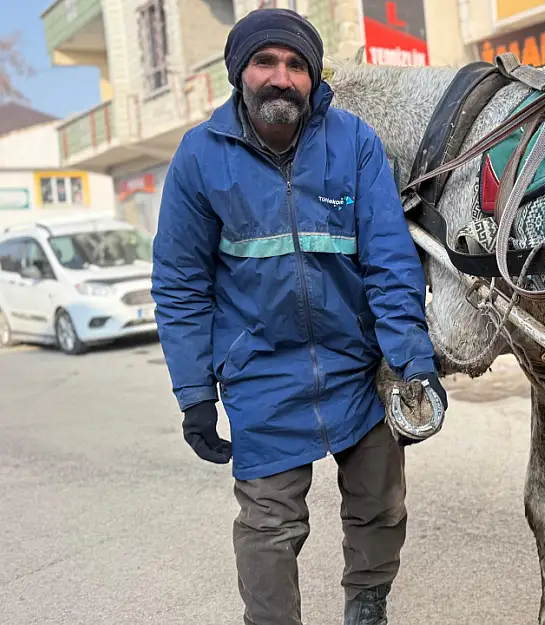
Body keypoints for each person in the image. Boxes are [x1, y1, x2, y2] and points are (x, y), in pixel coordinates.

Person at [150, 8, 447, 625]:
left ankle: (367, 606)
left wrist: (412, 361)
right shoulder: (200, 159)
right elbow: (181, 285)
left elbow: (391, 263)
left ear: (313, 77)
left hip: (357, 368)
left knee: (380, 506)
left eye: (295, 65)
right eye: (265, 62)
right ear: (240, 74)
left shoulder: (354, 144)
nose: (281, 78)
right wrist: (193, 392)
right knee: (268, 529)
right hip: (261, 376)